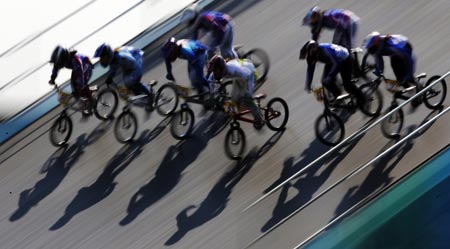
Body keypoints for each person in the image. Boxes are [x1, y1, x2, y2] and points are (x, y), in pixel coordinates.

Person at [299, 40, 366, 104]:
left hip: (344, 60)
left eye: (309, 54)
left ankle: (363, 98)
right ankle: (338, 96)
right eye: (308, 55)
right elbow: (310, 70)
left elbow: (336, 64)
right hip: (332, 62)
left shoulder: (323, 51)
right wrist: (308, 85)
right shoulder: (311, 57)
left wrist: (330, 76)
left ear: (314, 49)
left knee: (347, 85)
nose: (309, 56)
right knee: (324, 82)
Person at [207, 55, 264, 128]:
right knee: (234, 100)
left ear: (221, 67)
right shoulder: (220, 69)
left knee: (247, 100)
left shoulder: (232, 69)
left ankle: (259, 118)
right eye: (214, 71)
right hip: (238, 77)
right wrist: (212, 95)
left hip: (249, 74)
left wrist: (248, 93)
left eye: (217, 71)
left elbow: (248, 76)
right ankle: (232, 112)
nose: (216, 73)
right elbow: (210, 80)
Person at [94, 43, 153, 110]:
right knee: (129, 84)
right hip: (129, 64)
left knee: (131, 82)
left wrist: (132, 81)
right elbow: (113, 69)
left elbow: (136, 67)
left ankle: (150, 94)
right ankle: (144, 97)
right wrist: (110, 77)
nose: (101, 60)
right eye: (101, 58)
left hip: (136, 58)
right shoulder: (113, 59)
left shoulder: (122, 57)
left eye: (103, 58)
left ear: (108, 55)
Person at [49, 45, 94, 113]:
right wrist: (52, 79)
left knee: (80, 85)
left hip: (86, 67)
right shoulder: (61, 60)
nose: (59, 65)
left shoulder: (75, 60)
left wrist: (80, 86)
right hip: (77, 69)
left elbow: (81, 74)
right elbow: (55, 68)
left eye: (59, 63)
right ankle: (85, 100)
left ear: (64, 58)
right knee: (74, 86)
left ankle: (91, 100)